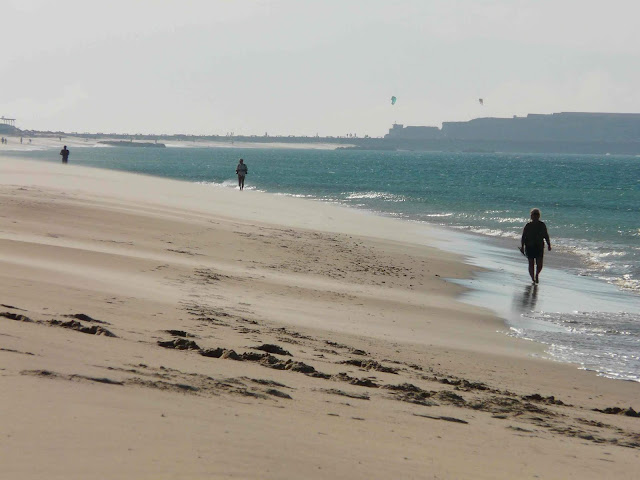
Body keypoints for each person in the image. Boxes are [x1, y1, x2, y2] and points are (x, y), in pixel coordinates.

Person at [519, 208, 551, 283]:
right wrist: (522, 247)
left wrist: (549, 244)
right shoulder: (528, 225)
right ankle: (533, 278)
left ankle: (537, 274)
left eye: (537, 214)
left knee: (539, 264)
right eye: (534, 214)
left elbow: (546, 235)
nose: (535, 216)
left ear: (539, 216)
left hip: (539, 246)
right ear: (531, 216)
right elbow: (523, 236)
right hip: (529, 246)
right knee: (531, 263)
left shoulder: (542, 225)